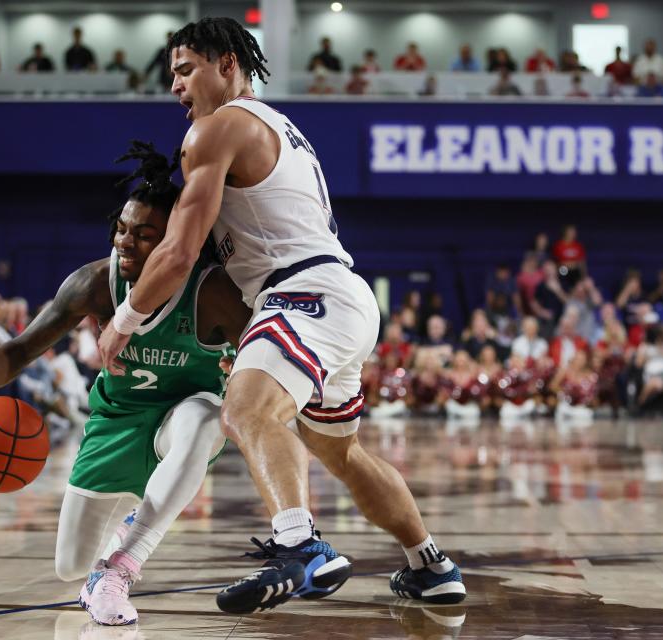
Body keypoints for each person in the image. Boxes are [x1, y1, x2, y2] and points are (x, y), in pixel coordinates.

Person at [99, 17, 467, 615]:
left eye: (185, 70)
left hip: (302, 295)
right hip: (339, 297)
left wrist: (125, 319)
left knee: (245, 410)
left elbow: (179, 250)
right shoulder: (279, 126)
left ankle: (300, 547)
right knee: (340, 452)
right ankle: (430, 565)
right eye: (171, 74)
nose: (175, 87)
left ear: (227, 66)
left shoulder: (216, 130)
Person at [0, 142, 250, 626]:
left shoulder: (211, 292)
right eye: (122, 229)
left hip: (181, 414)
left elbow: (264, 351)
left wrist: (242, 368)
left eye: (144, 235)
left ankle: (124, 562)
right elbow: (22, 347)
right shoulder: (95, 283)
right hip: (115, 421)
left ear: (175, 242)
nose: (125, 242)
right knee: (71, 567)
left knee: (204, 421)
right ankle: (111, 549)